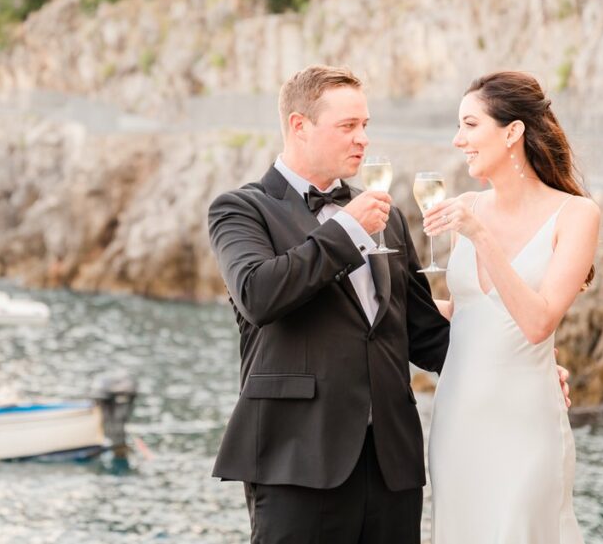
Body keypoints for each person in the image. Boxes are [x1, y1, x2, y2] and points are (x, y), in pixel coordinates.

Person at [208, 65, 570, 544]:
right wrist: (346, 231)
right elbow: (259, 294)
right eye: (347, 127)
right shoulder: (240, 209)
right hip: (298, 459)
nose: (362, 139)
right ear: (299, 126)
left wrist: (521, 367)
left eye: (365, 126)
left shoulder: (388, 218)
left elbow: (423, 333)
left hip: (392, 466)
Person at [423, 71, 599, 544]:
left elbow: (538, 322)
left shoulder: (576, 215)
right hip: (458, 417)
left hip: (526, 421)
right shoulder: (466, 205)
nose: (459, 140)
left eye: (470, 124)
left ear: (512, 131)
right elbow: (468, 312)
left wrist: (480, 237)